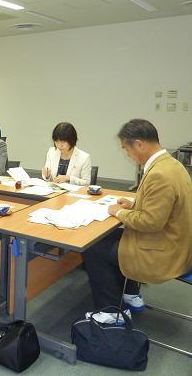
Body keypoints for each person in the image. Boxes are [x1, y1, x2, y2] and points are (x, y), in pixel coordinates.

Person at [82, 119, 192, 324]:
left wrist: (118, 212)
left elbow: (150, 222)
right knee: (112, 237)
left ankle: (110, 313)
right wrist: (134, 205)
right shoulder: (171, 164)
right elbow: (165, 206)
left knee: (94, 247)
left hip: (164, 252)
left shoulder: (160, 174)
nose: (128, 154)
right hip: (176, 241)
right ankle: (131, 294)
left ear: (139, 144)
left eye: (126, 149)